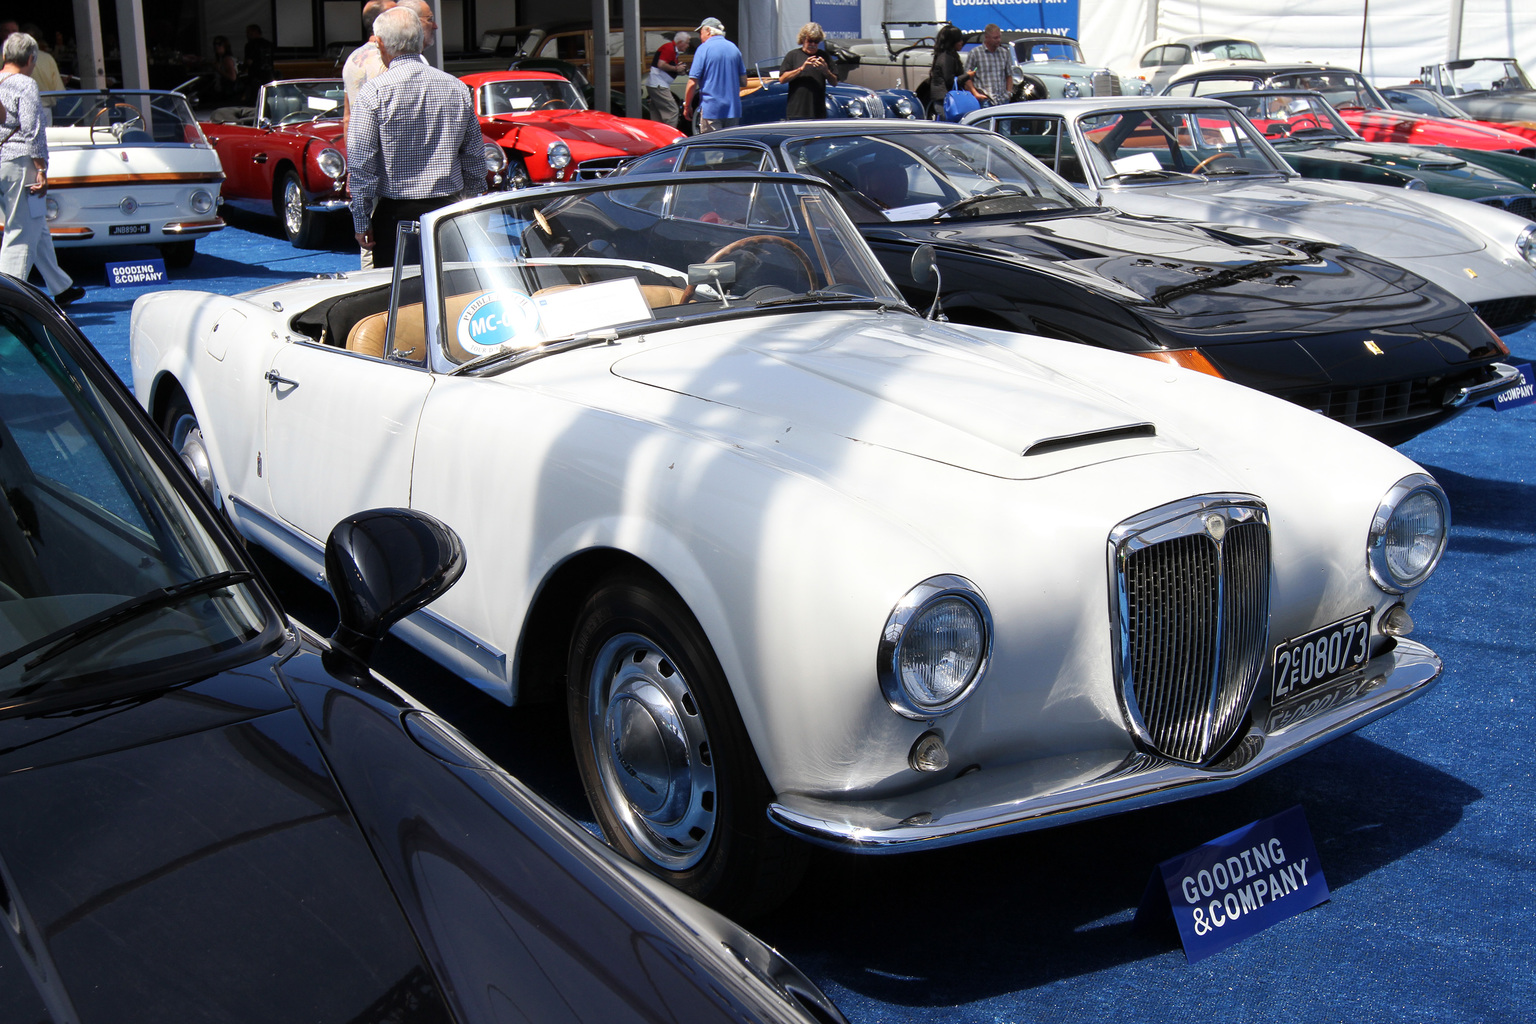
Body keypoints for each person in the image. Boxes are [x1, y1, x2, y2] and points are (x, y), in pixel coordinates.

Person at [347, 6, 485, 268]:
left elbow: (361, 163)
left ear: (383, 45)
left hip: (396, 213)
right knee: (449, 293)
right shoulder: (456, 87)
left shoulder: (373, 92)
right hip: (449, 210)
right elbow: (475, 157)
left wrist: (362, 221)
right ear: (420, 41)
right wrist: (474, 206)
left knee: (401, 298)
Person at [0, 32, 81, 304]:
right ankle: (8, 300)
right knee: (21, 232)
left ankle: (61, 285)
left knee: (34, 224)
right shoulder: (25, 84)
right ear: (31, 58)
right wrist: (42, 168)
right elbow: (33, 128)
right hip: (21, 164)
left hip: (2, 164)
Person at [343, 0, 396, 269]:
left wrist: (352, 162)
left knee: (367, 239)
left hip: (363, 156)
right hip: (389, 160)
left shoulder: (352, 60)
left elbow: (347, 116)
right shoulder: (386, 59)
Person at [683, 17, 745, 133]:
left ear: (708, 31)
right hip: (733, 108)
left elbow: (692, 82)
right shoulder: (734, 48)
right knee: (730, 146)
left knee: (712, 146)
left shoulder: (703, 49)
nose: (700, 37)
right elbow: (743, 81)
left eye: (701, 33)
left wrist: (687, 105)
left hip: (712, 108)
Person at [779, 22, 836, 120]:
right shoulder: (792, 55)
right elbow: (782, 79)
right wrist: (801, 69)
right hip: (796, 112)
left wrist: (825, 71)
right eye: (810, 41)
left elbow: (835, 82)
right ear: (803, 39)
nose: (813, 44)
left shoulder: (824, 56)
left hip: (818, 112)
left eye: (816, 41)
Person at [927, 24, 982, 119]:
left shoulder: (952, 56)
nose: (961, 43)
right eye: (959, 40)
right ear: (952, 42)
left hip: (949, 99)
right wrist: (967, 76)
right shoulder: (946, 58)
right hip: (945, 101)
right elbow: (950, 81)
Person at [646, 30, 689, 128]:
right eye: (687, 43)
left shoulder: (672, 50)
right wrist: (676, 68)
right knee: (672, 111)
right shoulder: (669, 48)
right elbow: (661, 64)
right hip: (658, 84)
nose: (688, 46)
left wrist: (678, 70)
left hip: (655, 84)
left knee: (657, 114)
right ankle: (670, 136)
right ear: (680, 42)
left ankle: (658, 135)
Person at [963, 24, 1012, 105]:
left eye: (999, 37)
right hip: (985, 100)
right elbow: (966, 77)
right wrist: (976, 94)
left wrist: (1009, 93)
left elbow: (1009, 75)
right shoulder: (975, 53)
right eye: (995, 38)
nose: (998, 40)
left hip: (1003, 100)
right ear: (986, 37)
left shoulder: (1004, 53)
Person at [242, 24, 275, 102]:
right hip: (269, 76)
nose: (247, 35)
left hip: (255, 77)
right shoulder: (269, 44)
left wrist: (244, 68)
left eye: (248, 32)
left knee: (256, 100)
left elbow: (249, 61)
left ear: (254, 32)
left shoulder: (250, 45)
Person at [209, 35, 239, 103]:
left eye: (219, 44)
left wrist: (218, 70)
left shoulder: (227, 59)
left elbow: (232, 77)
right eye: (215, 44)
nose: (217, 47)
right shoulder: (220, 59)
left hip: (228, 94)